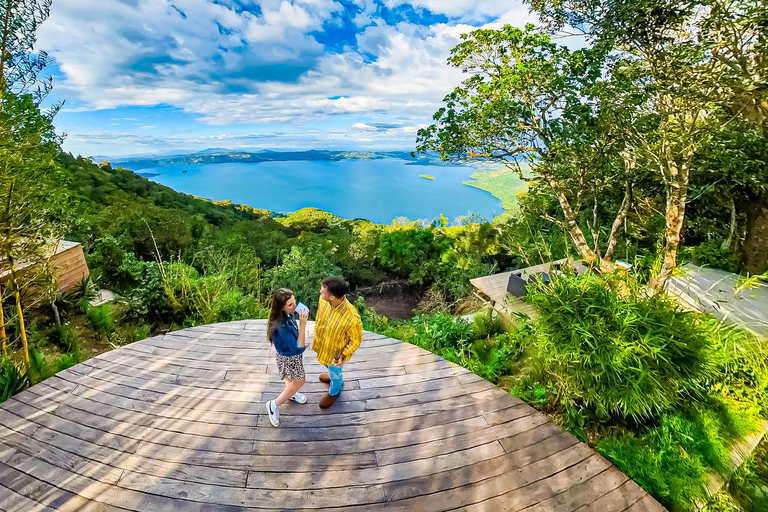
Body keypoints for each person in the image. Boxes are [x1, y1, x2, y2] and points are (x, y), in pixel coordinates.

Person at [312, 278, 363, 409]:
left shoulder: (351, 317)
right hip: (323, 346)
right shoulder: (323, 301)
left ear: (332, 297)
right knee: (328, 367)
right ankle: (332, 376)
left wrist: (343, 356)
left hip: (336, 355)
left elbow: (356, 340)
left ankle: (335, 389)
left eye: (323, 292)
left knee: (336, 372)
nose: (320, 293)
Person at [265, 288, 309, 427]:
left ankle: (291, 392)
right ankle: (274, 404)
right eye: (290, 304)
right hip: (290, 357)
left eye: (294, 302)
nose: (294, 306)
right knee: (300, 381)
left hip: (286, 354)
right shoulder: (279, 328)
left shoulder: (287, 314)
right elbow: (298, 348)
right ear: (281, 307)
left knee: (290, 379)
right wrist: (302, 325)